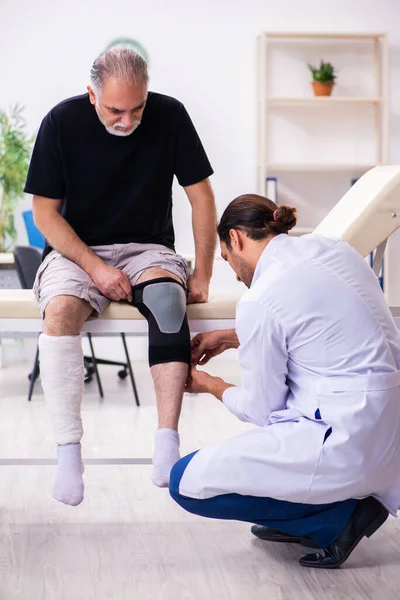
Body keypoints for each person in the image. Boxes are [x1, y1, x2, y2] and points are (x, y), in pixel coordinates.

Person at [24, 48, 217, 506]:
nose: (128, 120)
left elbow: (202, 198)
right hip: (76, 249)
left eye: (137, 108)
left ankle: (167, 442)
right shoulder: (61, 122)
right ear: (92, 94)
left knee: (169, 303)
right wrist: (95, 267)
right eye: (115, 110)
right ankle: (69, 451)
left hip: (147, 247)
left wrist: (204, 273)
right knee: (61, 312)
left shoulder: (170, 116)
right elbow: (45, 215)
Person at [169, 193, 400, 569]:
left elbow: (262, 410)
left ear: (236, 238)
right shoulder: (335, 250)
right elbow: (319, 327)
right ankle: (326, 508)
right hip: (391, 432)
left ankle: (334, 517)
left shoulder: (260, 298)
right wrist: (230, 336)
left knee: (185, 482)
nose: (233, 270)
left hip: (346, 440)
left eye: (227, 258)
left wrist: (210, 384)